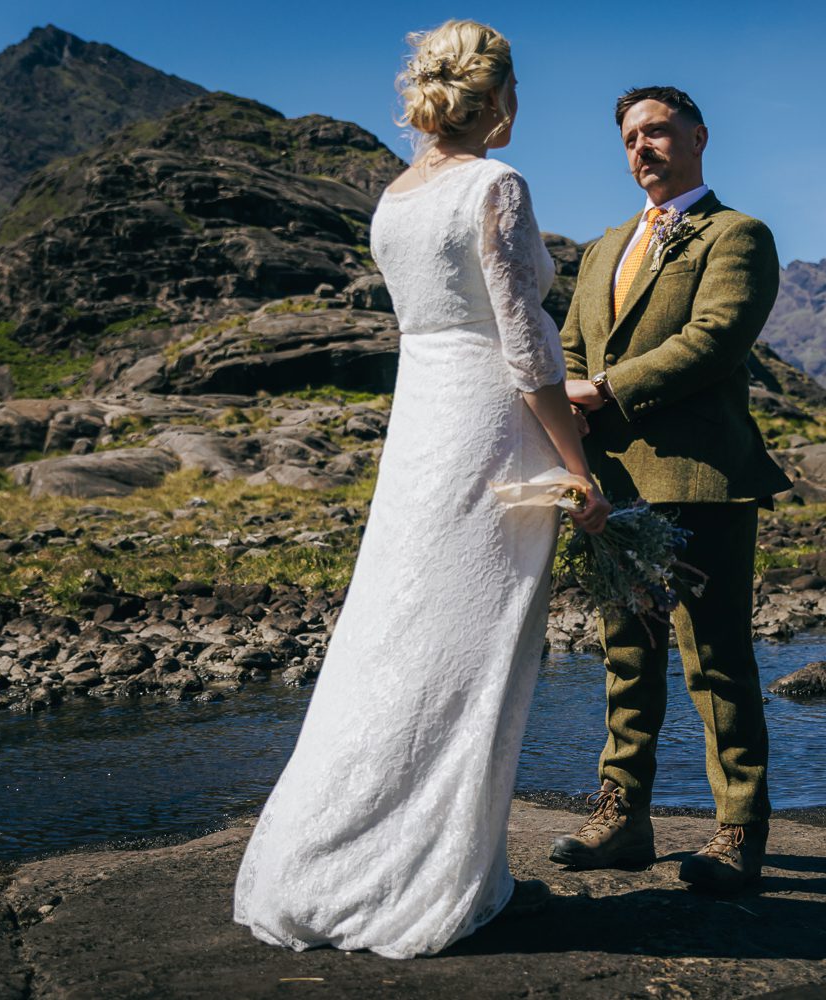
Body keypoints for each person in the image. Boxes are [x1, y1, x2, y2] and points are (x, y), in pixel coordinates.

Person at [232, 19, 609, 959]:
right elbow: (524, 347)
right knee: (475, 645)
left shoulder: (394, 197)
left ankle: (329, 859)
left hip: (422, 428)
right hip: (489, 427)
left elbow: (442, 323)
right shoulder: (497, 185)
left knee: (396, 633)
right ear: (502, 99)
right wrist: (577, 464)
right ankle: (436, 873)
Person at [553, 86, 791, 891]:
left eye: (657, 131)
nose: (642, 148)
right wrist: (571, 402)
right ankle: (623, 818)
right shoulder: (602, 248)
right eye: (629, 137)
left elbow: (715, 340)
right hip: (612, 484)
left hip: (701, 480)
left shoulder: (738, 235)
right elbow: (569, 345)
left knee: (716, 659)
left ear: (699, 135)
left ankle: (738, 832)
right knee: (627, 654)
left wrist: (605, 391)